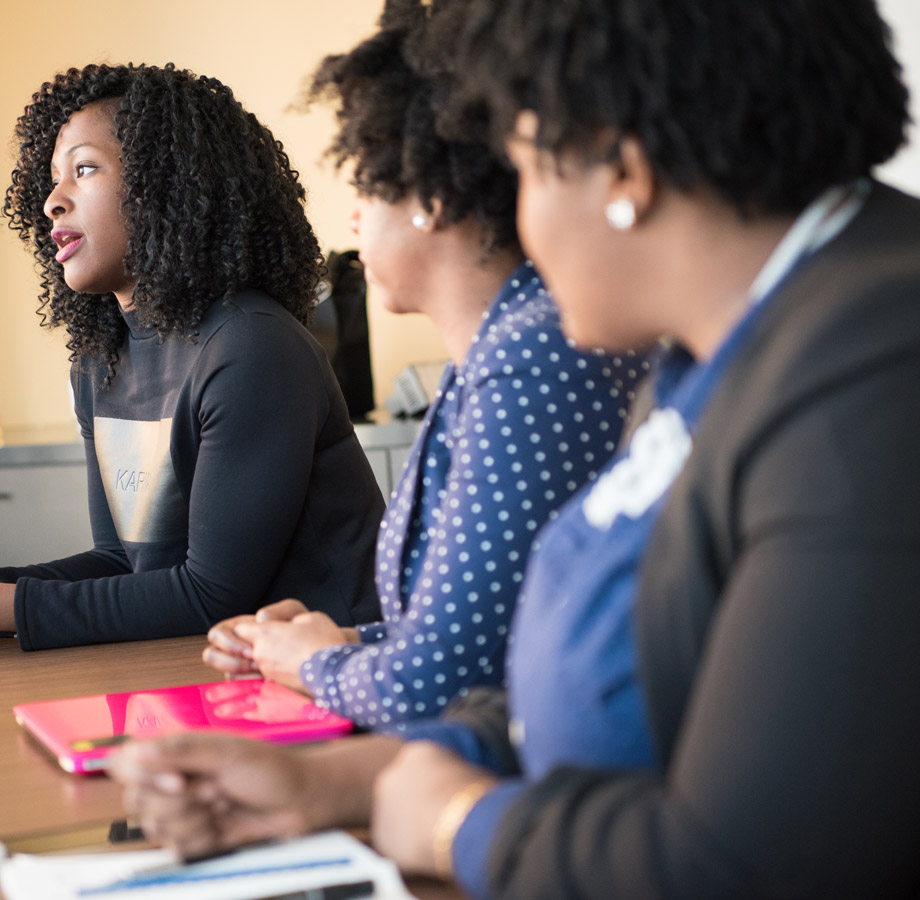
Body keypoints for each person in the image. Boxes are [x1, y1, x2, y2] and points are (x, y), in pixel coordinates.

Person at [110, 1, 920, 897]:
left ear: (624, 171)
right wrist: (328, 785)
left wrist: (462, 823)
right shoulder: (703, 353)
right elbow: (589, 685)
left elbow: (747, 864)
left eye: (527, 172)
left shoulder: (876, 369)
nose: (519, 223)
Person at [200, 0, 647, 729]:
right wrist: (337, 641)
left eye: (368, 186)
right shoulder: (498, 351)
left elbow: (436, 685)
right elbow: (480, 636)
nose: (352, 219)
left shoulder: (531, 356)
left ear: (432, 198)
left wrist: (313, 665)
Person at [0, 63, 385, 653]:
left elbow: (214, 594)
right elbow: (122, 563)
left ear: (168, 183)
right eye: (53, 179)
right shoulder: (99, 359)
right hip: (204, 664)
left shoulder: (251, 346)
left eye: (84, 170)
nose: (53, 201)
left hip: (332, 682)